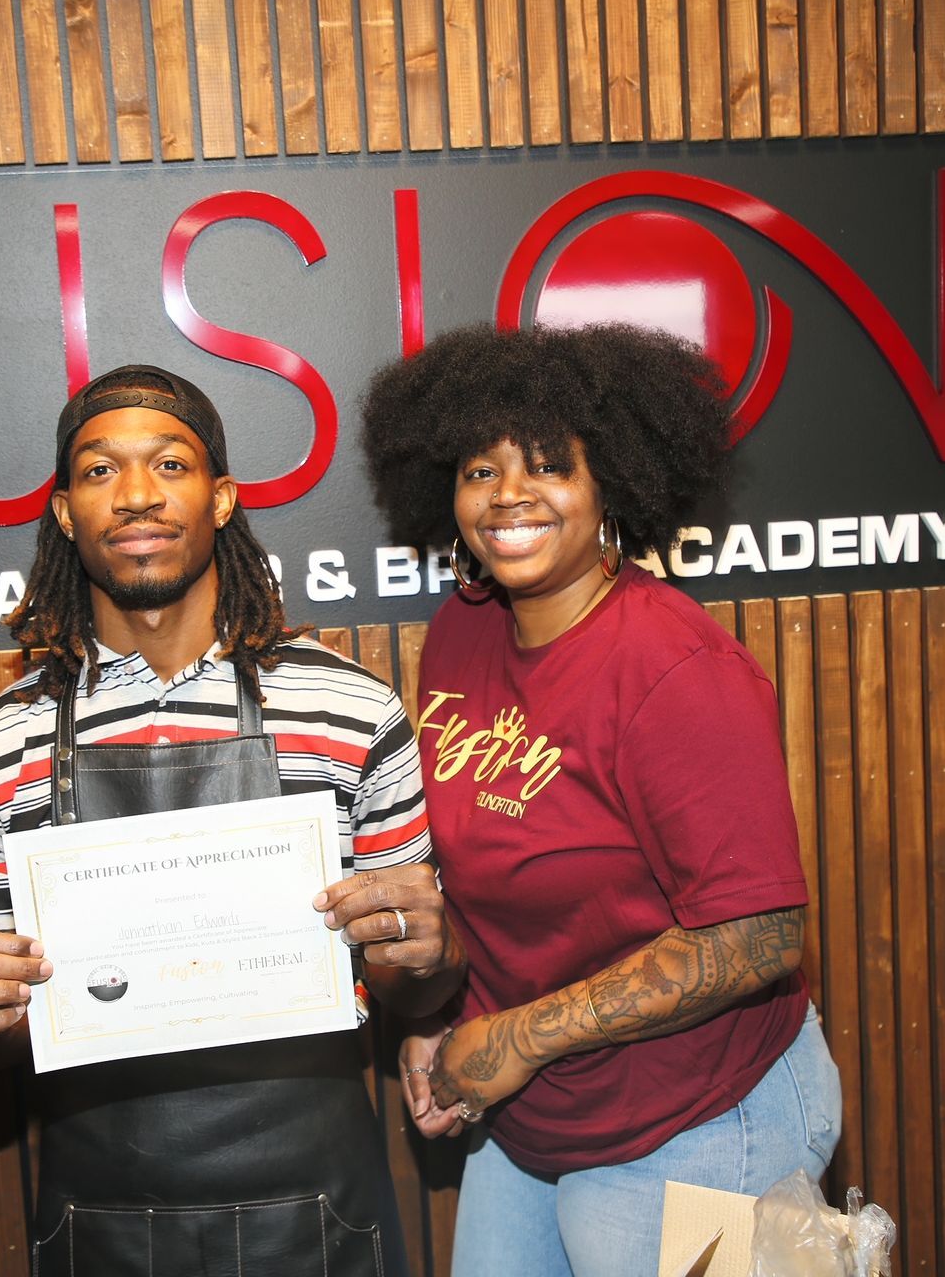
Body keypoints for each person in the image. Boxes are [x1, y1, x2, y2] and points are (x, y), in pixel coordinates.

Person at [0, 364, 464, 1276]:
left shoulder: (351, 713)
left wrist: (430, 955)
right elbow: (4, 1040)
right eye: (100, 471)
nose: (137, 495)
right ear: (64, 513)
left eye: (170, 465)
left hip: (319, 1210)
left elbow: (409, 990)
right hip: (101, 1221)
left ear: (220, 498)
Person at [359, 323, 842, 1275]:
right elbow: (487, 873)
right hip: (535, 1112)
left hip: (703, 1117)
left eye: (549, 465)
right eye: (481, 470)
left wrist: (516, 1038)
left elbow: (759, 937)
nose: (510, 494)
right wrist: (437, 1020)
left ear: (610, 484)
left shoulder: (675, 667)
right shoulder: (461, 633)